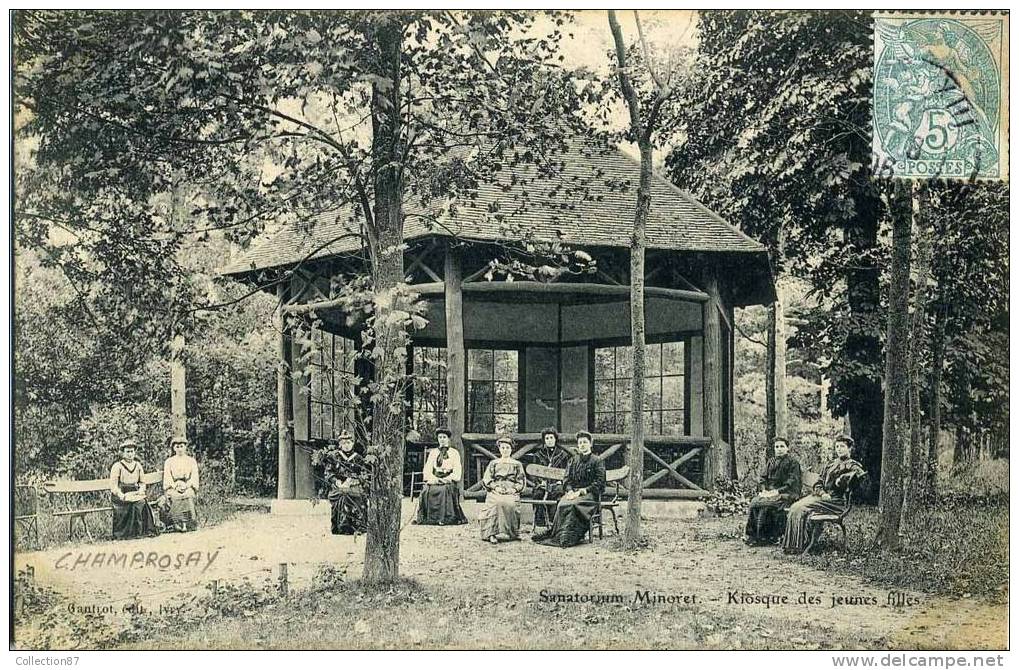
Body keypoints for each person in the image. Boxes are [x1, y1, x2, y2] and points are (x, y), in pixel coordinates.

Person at [783, 435, 866, 554]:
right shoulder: (830, 464)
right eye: (837, 446)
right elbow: (819, 481)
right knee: (795, 507)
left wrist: (843, 479)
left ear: (849, 448)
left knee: (800, 508)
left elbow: (860, 477)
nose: (839, 449)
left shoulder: (852, 465)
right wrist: (821, 492)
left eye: (842, 446)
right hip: (822, 497)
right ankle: (793, 545)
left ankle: (799, 546)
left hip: (836, 501)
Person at [533, 430, 605, 547]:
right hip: (574, 492)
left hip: (590, 494)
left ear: (590, 444)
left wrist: (582, 491)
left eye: (585, 442)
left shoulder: (597, 461)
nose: (582, 445)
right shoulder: (573, 460)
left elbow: (600, 482)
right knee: (562, 504)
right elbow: (567, 479)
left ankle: (570, 537)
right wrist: (570, 490)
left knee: (573, 505)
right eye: (580, 442)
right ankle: (558, 533)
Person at [744, 437, 802, 545]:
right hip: (771, 493)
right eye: (777, 447)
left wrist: (777, 491)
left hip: (788, 493)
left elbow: (792, 482)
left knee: (766, 505)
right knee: (754, 503)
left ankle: (763, 537)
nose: (779, 449)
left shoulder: (793, 463)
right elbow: (763, 478)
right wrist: (764, 490)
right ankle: (753, 535)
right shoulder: (771, 462)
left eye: (782, 446)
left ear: (787, 448)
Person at [414, 427, 468, 525]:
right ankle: (430, 517)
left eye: (444, 437)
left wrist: (447, 479)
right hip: (435, 479)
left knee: (443, 490)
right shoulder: (433, 452)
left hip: (448, 481)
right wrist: (434, 479)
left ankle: (444, 518)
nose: (442, 439)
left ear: (448, 439)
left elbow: (457, 471)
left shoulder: (454, 453)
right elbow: (427, 469)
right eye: (440, 437)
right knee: (426, 490)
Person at [479, 435, 526, 544]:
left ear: (511, 449)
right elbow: (487, 478)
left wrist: (514, 489)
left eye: (507, 448)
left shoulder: (517, 464)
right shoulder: (494, 463)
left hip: (511, 490)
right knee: (496, 503)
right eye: (503, 448)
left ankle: (512, 532)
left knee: (510, 504)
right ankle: (492, 534)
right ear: (499, 449)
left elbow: (521, 481)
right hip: (496, 489)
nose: (505, 450)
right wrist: (495, 487)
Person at [109, 440, 158, 540]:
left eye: (132, 451)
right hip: (121, 493)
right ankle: (126, 533)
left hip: (135, 492)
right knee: (129, 504)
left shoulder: (138, 465)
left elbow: (142, 482)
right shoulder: (117, 466)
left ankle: (141, 531)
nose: (130, 454)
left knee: (141, 502)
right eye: (127, 452)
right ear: (122, 453)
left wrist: (141, 490)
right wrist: (121, 494)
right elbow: (113, 486)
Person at [524, 427, 570, 528]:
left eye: (551, 438)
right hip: (542, 484)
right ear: (544, 440)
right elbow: (534, 474)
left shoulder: (563, 455)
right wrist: (540, 482)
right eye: (547, 438)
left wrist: (560, 482)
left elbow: (566, 472)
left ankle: (555, 523)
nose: (549, 440)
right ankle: (541, 524)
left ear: (555, 439)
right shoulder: (538, 455)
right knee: (538, 493)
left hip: (557, 484)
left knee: (558, 493)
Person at [325, 431, 368, 535]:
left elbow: (364, 474)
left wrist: (354, 481)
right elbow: (328, 473)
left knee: (357, 496)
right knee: (342, 495)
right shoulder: (334, 457)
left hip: (354, 485)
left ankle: (358, 526)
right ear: (340, 445)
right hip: (339, 486)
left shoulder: (358, 458)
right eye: (344, 443)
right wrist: (337, 481)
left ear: (352, 443)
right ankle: (342, 527)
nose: (346, 445)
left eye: (348, 442)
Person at [161, 438, 200, 532]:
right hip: (173, 486)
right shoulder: (169, 462)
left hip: (187, 485)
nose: (179, 449)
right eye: (177, 446)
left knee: (187, 495)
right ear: (174, 448)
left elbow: (194, 476)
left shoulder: (191, 461)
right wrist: (175, 486)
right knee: (176, 496)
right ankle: (176, 523)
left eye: (181, 446)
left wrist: (187, 485)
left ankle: (189, 523)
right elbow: (167, 477)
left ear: (185, 447)